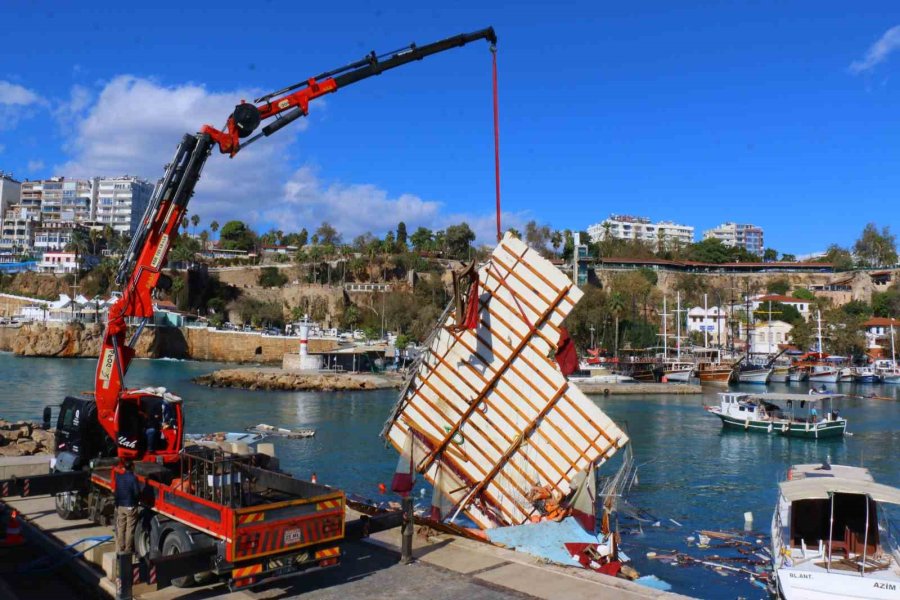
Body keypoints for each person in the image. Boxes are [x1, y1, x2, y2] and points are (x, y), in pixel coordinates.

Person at [114, 459, 141, 554]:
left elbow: (116, 492)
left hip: (120, 505)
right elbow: (137, 492)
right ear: (132, 467)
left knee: (121, 527)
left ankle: (121, 547)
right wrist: (137, 501)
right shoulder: (133, 478)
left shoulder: (119, 477)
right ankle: (128, 549)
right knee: (130, 528)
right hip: (130, 505)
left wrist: (117, 504)